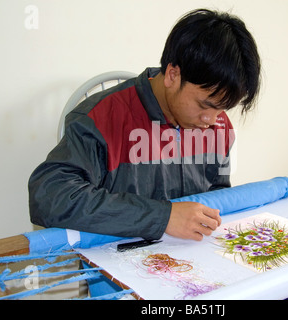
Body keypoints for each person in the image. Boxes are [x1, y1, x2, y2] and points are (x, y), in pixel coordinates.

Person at [28, 8, 261, 242]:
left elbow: (217, 194)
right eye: (204, 105)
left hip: (191, 259)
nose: (212, 120)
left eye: (223, 108)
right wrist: (163, 217)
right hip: (118, 263)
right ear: (172, 75)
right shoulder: (100, 118)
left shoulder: (217, 124)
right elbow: (50, 196)